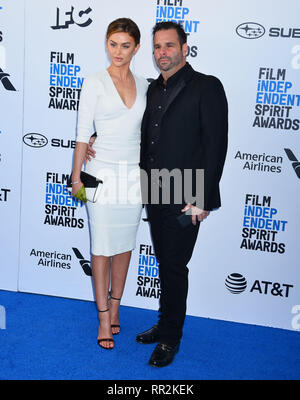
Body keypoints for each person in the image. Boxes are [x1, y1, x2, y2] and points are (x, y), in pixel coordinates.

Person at [135, 21, 228, 367]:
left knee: (175, 265)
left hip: (187, 193)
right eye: (157, 47)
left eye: (169, 46)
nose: (162, 53)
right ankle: (164, 323)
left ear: (185, 48)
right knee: (165, 262)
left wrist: (203, 198)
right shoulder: (151, 90)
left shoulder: (207, 86)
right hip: (154, 190)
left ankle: (171, 338)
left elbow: (215, 145)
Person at [71, 18, 148, 350]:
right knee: (101, 245)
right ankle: (103, 317)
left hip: (134, 174)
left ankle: (116, 307)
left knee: (125, 244)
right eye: (113, 44)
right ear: (106, 44)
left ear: (137, 48)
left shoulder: (147, 85)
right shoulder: (94, 83)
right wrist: (76, 177)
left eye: (125, 45)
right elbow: (80, 134)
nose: (118, 51)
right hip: (97, 173)